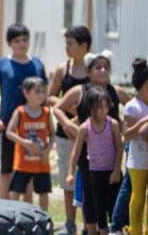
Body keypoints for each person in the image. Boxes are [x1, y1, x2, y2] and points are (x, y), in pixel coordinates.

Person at [55, 50, 131, 235]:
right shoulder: (79, 91)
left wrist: (124, 126)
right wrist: (68, 124)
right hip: (87, 154)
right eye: (98, 67)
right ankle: (91, 230)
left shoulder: (116, 91)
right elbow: (57, 108)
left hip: (111, 156)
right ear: (88, 71)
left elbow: (132, 109)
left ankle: (115, 228)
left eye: (106, 67)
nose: (103, 70)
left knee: (112, 193)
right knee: (90, 194)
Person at [0, 23, 48, 201]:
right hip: (9, 127)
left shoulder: (37, 64)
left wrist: (47, 121)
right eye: (17, 41)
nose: (22, 44)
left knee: (29, 170)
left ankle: (26, 213)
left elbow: (45, 94)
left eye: (25, 40)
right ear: (10, 43)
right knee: (6, 170)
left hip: (33, 127)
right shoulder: (2, 64)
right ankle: (4, 211)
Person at [46, 25, 91, 235]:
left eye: (70, 43)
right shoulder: (62, 69)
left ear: (84, 46)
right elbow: (50, 96)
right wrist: (70, 105)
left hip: (91, 135)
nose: (66, 47)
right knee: (67, 178)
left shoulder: (94, 69)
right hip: (66, 132)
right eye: (66, 43)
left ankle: (88, 222)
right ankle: (69, 223)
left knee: (89, 178)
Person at [67, 86, 124, 235]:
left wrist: (117, 170)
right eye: (99, 107)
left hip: (111, 171)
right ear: (91, 107)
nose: (104, 110)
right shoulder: (85, 127)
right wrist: (70, 172)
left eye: (106, 107)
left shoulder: (113, 124)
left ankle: (117, 230)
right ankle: (103, 232)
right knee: (98, 206)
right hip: (95, 172)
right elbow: (77, 150)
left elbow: (119, 148)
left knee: (114, 205)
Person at [5, 77, 55, 211]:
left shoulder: (46, 112)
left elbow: (53, 134)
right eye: (37, 92)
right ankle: (10, 216)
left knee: (43, 192)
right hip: (23, 163)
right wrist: (25, 142)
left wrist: (47, 150)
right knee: (16, 191)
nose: (41, 95)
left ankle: (44, 219)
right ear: (26, 93)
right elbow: (9, 132)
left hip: (41, 163)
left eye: (43, 92)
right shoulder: (20, 112)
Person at [123, 58, 148, 235]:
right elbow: (127, 135)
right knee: (138, 200)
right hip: (137, 163)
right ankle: (135, 232)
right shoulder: (132, 107)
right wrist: (143, 123)